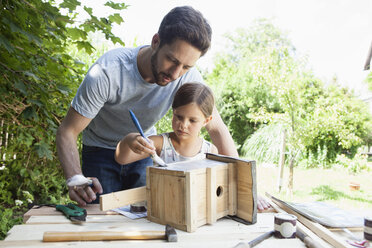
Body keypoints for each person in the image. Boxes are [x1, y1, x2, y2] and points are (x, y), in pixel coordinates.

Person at [56, 6, 238, 207]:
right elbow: (68, 131)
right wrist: (75, 178)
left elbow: (217, 129)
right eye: (172, 60)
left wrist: (243, 185)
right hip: (100, 150)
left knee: (145, 215)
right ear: (155, 42)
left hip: (144, 149)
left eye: (186, 67)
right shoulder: (108, 71)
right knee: (98, 215)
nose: (176, 74)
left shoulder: (189, 79)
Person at [115, 82, 218, 165]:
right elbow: (121, 159)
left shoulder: (210, 151)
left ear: (206, 121)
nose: (183, 125)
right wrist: (129, 139)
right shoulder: (159, 144)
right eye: (179, 117)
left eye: (192, 120)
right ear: (173, 112)